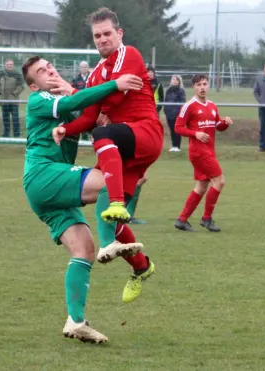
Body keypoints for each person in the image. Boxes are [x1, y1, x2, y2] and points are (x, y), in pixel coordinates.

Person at [22, 55, 144, 343]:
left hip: (47, 190)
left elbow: (87, 116)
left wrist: (100, 118)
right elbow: (72, 104)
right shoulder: (38, 100)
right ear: (32, 85)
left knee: (83, 251)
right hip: (44, 174)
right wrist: (115, 84)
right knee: (106, 183)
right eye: (41, 71)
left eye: (50, 65)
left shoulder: (63, 97)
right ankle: (111, 242)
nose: (49, 70)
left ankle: (75, 321)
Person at [52, 7, 161, 303]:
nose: (102, 39)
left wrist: (88, 98)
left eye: (107, 33)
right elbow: (90, 115)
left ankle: (116, 202)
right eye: (97, 36)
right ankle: (142, 266)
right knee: (110, 219)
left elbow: (113, 97)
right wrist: (66, 127)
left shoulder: (130, 55)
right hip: (120, 147)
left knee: (102, 136)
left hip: (145, 133)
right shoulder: (98, 73)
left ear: (119, 33)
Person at [174, 74, 233, 232]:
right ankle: (206, 218)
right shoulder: (189, 106)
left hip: (209, 150)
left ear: (208, 86)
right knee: (219, 181)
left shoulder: (212, 106)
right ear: (193, 87)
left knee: (201, 186)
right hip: (199, 152)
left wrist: (225, 123)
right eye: (199, 84)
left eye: (205, 84)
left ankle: (182, 220)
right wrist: (195, 134)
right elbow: (178, 128)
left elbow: (217, 126)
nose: (202, 87)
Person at [0, 59, 24, 138]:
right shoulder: (1, 74)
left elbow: (21, 86)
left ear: (13, 65)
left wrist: (14, 93)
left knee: (15, 119)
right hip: (4, 101)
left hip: (13, 101)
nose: (9, 66)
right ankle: (6, 135)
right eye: (8, 64)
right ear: (5, 65)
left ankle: (17, 135)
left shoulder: (17, 74)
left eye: (11, 64)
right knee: (5, 119)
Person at [163, 74, 186, 152]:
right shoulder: (168, 90)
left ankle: (177, 146)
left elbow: (182, 102)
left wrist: (177, 111)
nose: (174, 81)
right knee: (172, 130)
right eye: (173, 79)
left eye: (176, 79)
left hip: (176, 113)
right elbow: (166, 101)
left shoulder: (181, 90)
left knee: (177, 130)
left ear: (179, 81)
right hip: (169, 113)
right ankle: (173, 145)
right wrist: (165, 110)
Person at [70, 61, 91, 142]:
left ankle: (87, 139)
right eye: (82, 67)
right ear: (80, 68)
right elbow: (71, 90)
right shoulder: (76, 79)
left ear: (87, 68)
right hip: (79, 104)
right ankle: (78, 138)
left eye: (85, 67)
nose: (84, 68)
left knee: (88, 120)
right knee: (79, 120)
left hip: (90, 103)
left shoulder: (92, 77)